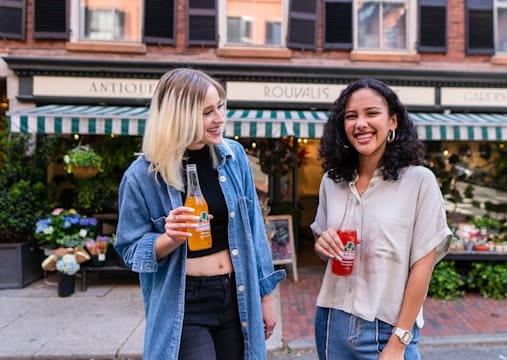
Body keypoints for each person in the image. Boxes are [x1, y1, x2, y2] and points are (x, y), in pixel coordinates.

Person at [115, 68, 285, 360]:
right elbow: (130, 249)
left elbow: (254, 230)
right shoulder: (142, 176)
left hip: (236, 294)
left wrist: (266, 297)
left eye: (219, 106)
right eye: (207, 112)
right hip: (185, 302)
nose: (220, 118)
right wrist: (169, 239)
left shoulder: (234, 157)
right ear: (180, 116)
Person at [311, 78, 451, 359]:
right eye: (351, 116)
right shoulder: (331, 181)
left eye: (372, 113)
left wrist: (399, 340)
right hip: (332, 321)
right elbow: (325, 244)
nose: (360, 123)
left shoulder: (419, 181)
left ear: (393, 122)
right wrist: (321, 244)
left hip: (388, 328)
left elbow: (423, 265)